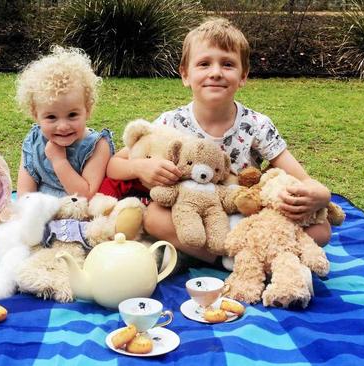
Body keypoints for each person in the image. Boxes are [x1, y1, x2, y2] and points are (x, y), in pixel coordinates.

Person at [106, 18, 332, 268]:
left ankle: (236, 255)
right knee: (153, 218)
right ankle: (236, 259)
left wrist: (321, 194)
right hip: (192, 215)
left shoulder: (256, 124)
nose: (215, 72)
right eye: (204, 64)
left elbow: (302, 177)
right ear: (185, 74)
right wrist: (139, 167)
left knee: (322, 230)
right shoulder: (170, 122)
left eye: (227, 64)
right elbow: (114, 165)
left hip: (246, 214)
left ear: (243, 75)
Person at [15, 46, 113, 199]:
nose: (63, 126)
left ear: (87, 110)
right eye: (51, 117)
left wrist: (59, 161)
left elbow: (86, 196)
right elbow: (25, 195)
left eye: (72, 115)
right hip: (41, 215)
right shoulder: (34, 141)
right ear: (36, 115)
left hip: (79, 216)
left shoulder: (98, 146)